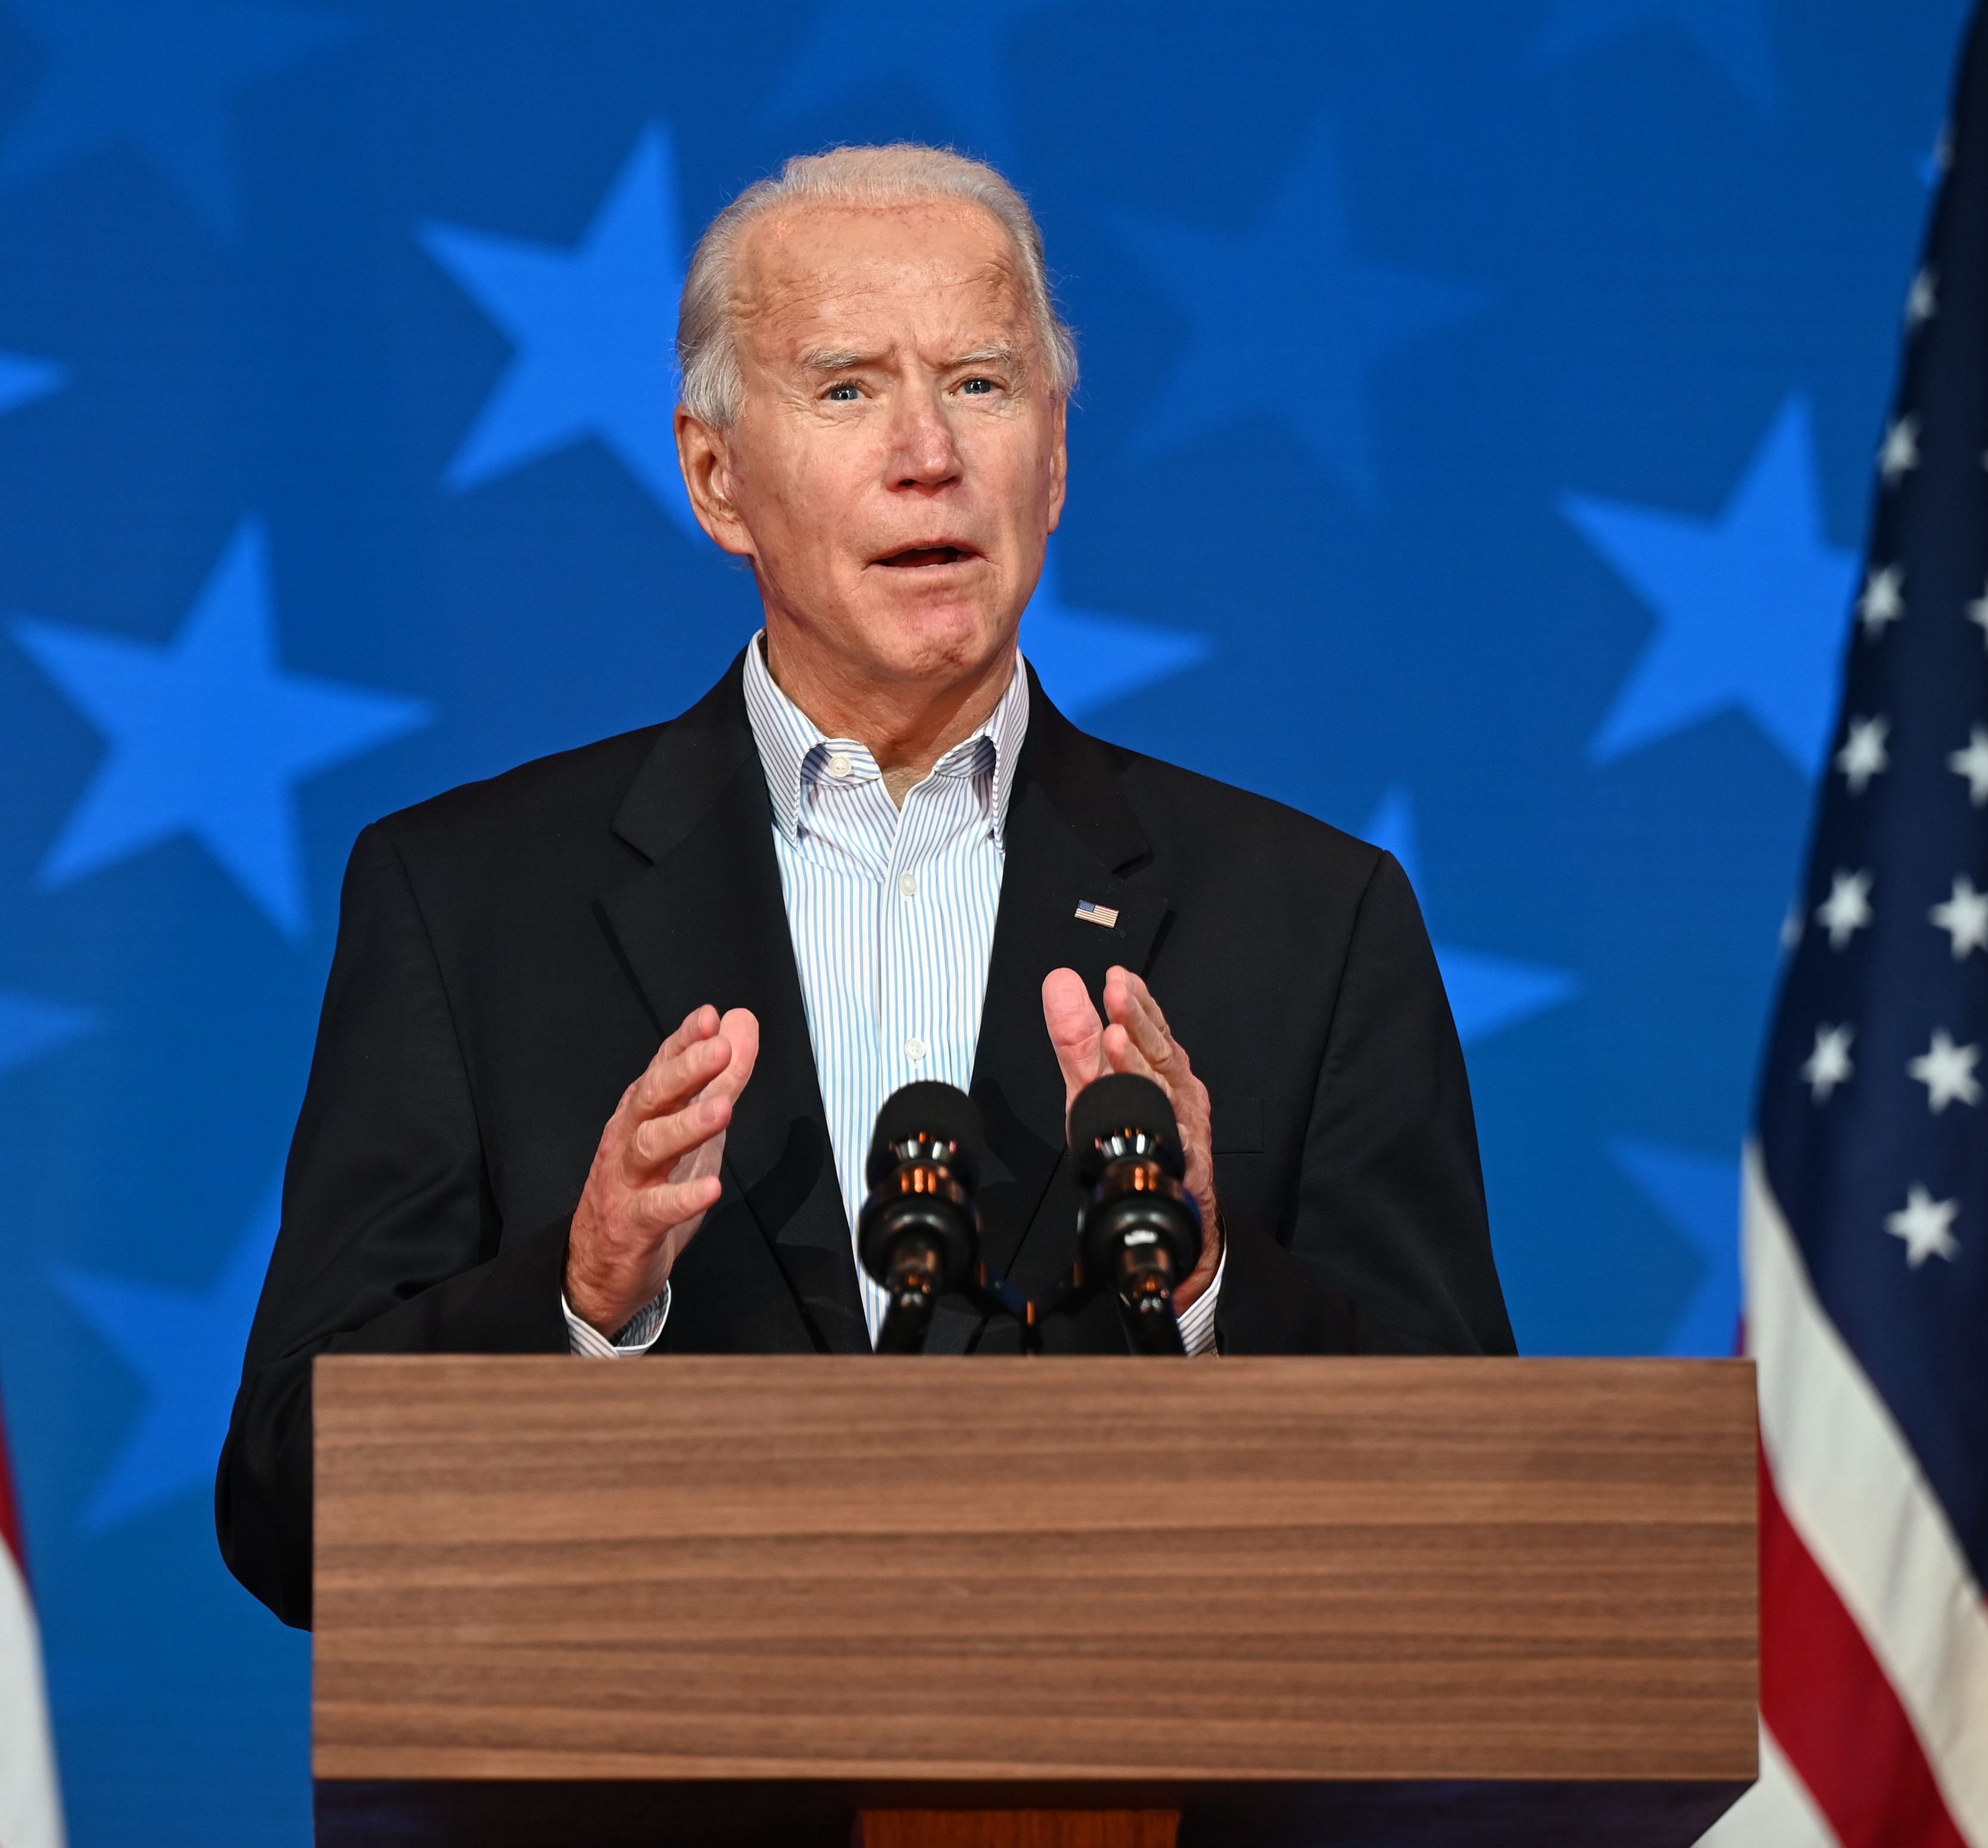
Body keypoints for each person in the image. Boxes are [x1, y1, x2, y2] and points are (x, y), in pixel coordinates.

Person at [217, 144, 1511, 1628]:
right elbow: (285, 1507)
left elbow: (1474, 1502)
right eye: (847, 387)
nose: (930, 452)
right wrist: (578, 1300)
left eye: (980, 381)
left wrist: (1214, 1274)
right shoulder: (465, 902)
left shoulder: (1310, 918)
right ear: (717, 476)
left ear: (1058, 453)